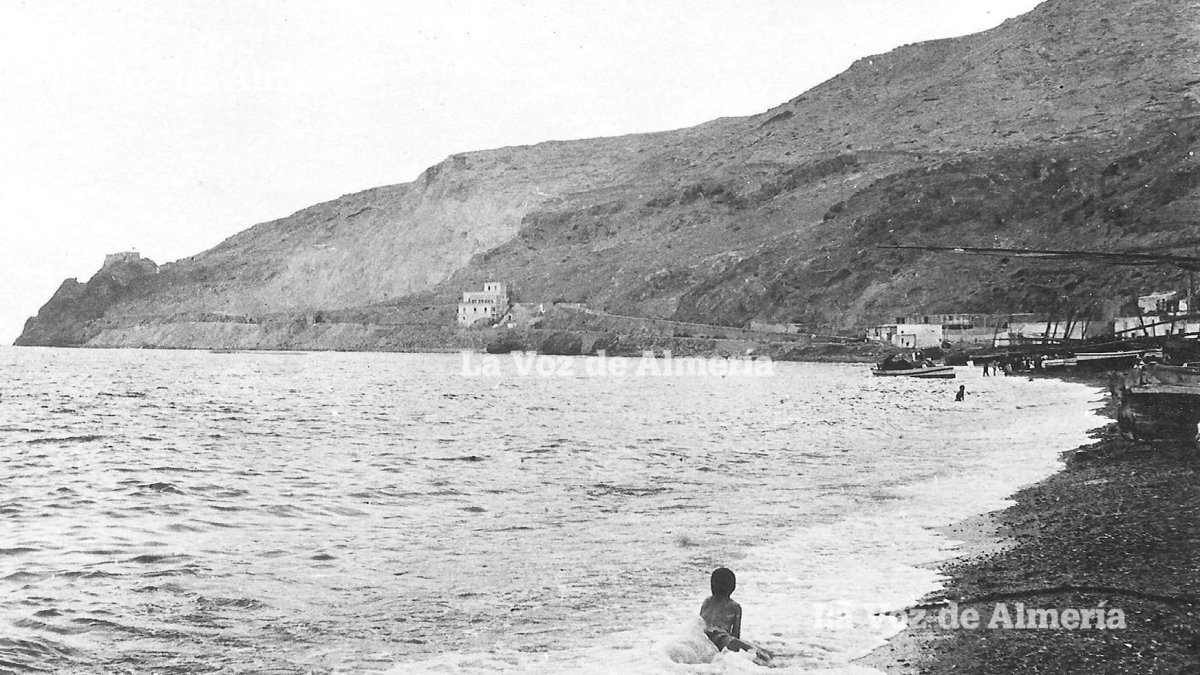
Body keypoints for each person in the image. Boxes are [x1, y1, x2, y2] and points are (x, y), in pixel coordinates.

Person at [700, 568, 773, 664]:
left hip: (705, 638)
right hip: (723, 640)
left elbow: (699, 623)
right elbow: (736, 634)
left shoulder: (707, 601)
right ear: (732, 587)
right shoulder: (735, 606)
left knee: (751, 647)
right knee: (761, 654)